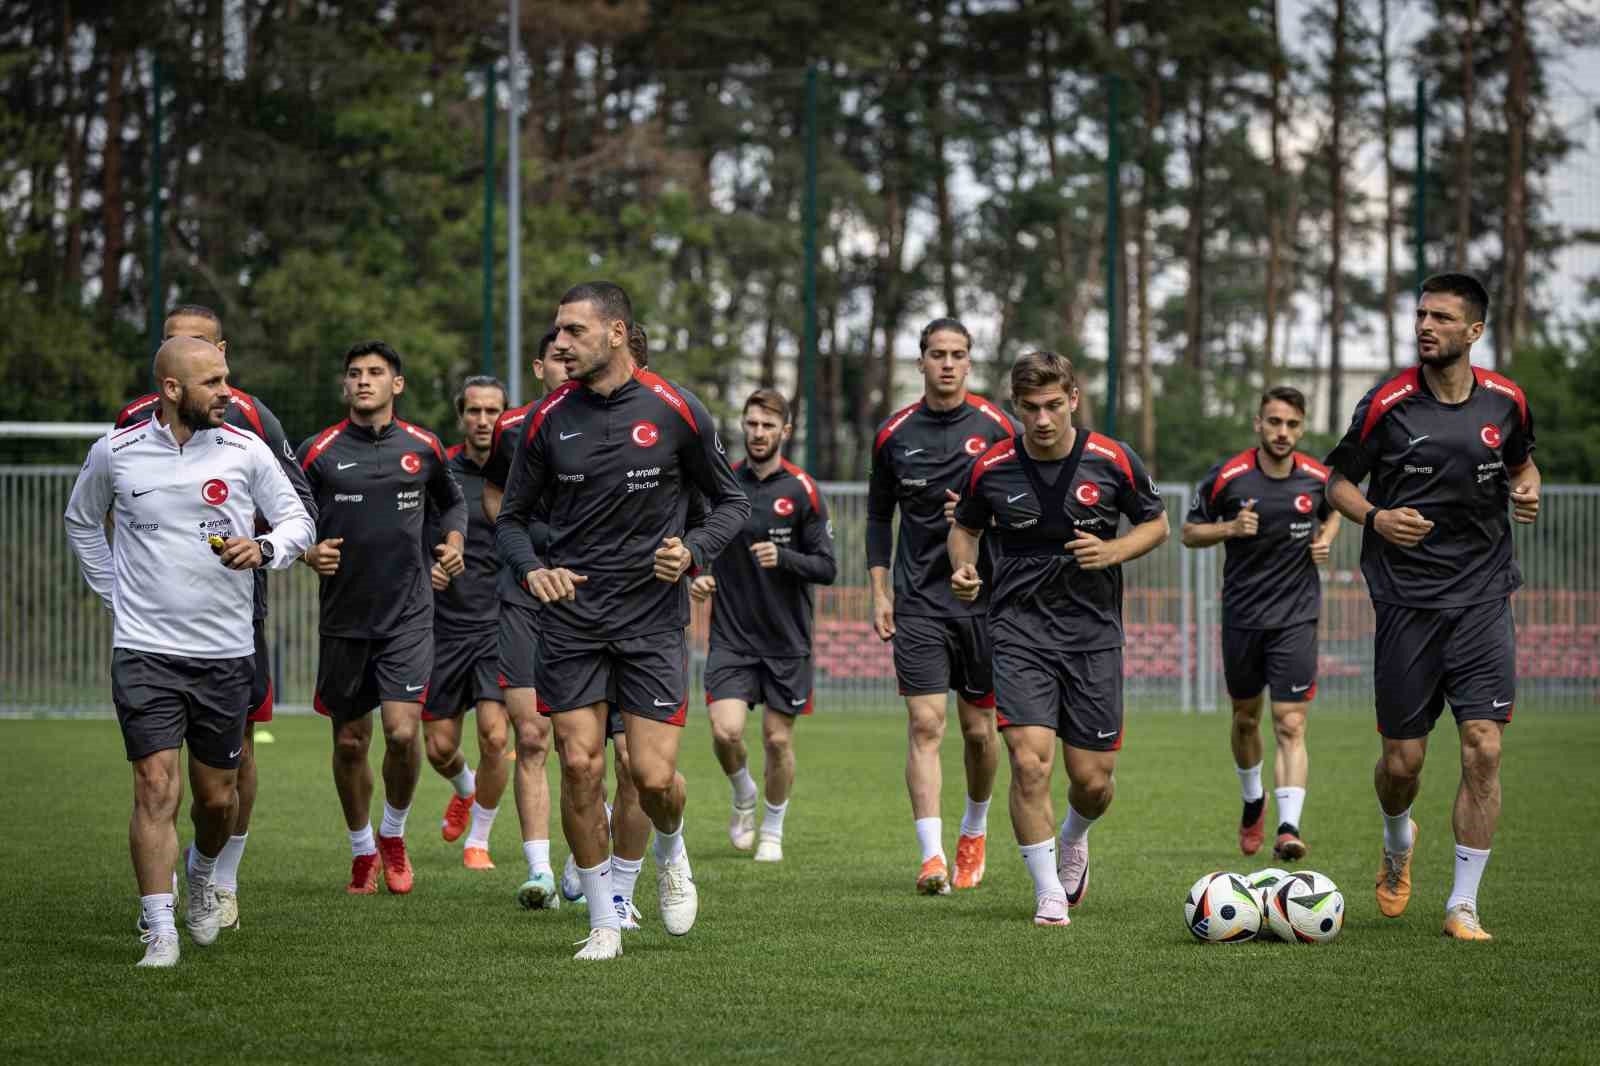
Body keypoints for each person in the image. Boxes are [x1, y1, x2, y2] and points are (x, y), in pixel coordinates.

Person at [496, 281, 749, 961]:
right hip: (571, 619)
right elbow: (511, 521)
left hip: (651, 620)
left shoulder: (676, 408)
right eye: (557, 331)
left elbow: (732, 503)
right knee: (579, 766)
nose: (560, 344)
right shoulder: (547, 419)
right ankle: (605, 920)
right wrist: (533, 571)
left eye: (574, 331)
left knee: (651, 777)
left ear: (615, 333)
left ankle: (670, 848)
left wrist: (692, 550)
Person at [65, 336, 314, 966]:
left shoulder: (246, 450)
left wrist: (266, 548)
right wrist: (115, 594)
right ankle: (159, 927)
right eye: (213, 383)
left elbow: (298, 521)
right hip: (144, 649)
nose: (227, 393)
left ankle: (202, 874)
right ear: (172, 389)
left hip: (225, 653)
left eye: (226, 378)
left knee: (216, 799)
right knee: (155, 787)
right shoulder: (115, 452)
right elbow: (81, 520)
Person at [1324, 273, 1539, 941]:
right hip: (1406, 602)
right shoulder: (1386, 403)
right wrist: (1377, 518)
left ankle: (1462, 905)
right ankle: (1398, 840)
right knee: (1402, 765)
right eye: (1421, 314)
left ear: (1474, 331)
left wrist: (1528, 489)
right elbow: (1337, 483)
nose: (1426, 326)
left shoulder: (1507, 400)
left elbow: (1522, 466)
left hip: (1482, 598)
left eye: (1441, 317)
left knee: (1483, 749)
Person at [949, 350, 1167, 926]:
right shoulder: (991, 466)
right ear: (1015, 407)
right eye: (1030, 408)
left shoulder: (1113, 459)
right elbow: (965, 529)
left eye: (1052, 405)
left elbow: (1156, 523)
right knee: (1029, 764)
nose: (1042, 419)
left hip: (1093, 634)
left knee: (1093, 782)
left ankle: (1073, 836)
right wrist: (964, 569)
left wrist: (1114, 551)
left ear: (1073, 399)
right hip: (1018, 632)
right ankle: (1048, 893)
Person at [297, 341, 467, 895]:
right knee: (351, 742)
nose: (363, 380)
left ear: (397, 384)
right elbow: (284, 517)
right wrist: (306, 552)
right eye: (354, 373)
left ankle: (392, 834)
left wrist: (454, 543)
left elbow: (453, 503)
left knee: (401, 731)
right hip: (344, 620)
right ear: (345, 385)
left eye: (375, 372)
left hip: (409, 616)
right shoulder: (317, 451)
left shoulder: (423, 446)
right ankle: (361, 849)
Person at [867, 317, 1018, 894]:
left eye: (957, 354)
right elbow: (878, 517)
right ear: (921, 362)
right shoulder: (893, 433)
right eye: (937, 354)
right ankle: (931, 858)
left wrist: (982, 516)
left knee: (979, 732)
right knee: (925, 723)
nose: (947, 363)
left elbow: (1026, 507)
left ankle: (973, 831)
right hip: (920, 602)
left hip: (986, 602)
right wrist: (880, 591)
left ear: (969, 362)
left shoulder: (1000, 428)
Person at [1181, 386, 1340, 861]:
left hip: (1296, 616)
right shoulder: (1228, 477)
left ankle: (1288, 828)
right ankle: (1254, 800)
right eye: (1274, 422)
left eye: (1292, 424)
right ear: (1258, 424)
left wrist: (1325, 539)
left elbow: (1336, 510)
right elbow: (1189, 532)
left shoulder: (1318, 478)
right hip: (1243, 617)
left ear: (1302, 428)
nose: (1282, 432)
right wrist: (1229, 528)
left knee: (1290, 722)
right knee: (1246, 719)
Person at [691, 388, 837, 863]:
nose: (758, 433)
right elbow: (696, 541)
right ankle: (743, 793)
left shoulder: (802, 490)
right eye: (752, 424)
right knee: (726, 732)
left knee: (777, 739)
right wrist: (698, 575)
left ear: (785, 431)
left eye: (768, 425)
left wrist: (785, 557)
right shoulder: (722, 484)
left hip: (786, 639)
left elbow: (827, 567)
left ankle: (772, 830)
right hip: (732, 636)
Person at [421, 375, 511, 870]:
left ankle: (479, 838)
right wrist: (427, 568)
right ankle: (465, 787)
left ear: (505, 416)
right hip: (441, 625)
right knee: (439, 748)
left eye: (493, 411)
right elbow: (411, 531)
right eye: (474, 411)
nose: (483, 420)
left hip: (499, 623)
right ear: (461, 417)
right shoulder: (439, 472)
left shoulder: (518, 472)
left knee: (496, 737)